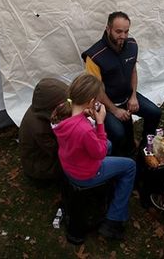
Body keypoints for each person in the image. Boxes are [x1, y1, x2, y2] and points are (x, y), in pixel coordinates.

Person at [51, 73, 136, 240]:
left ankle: (106, 186)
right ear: (91, 101)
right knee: (130, 166)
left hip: (68, 163)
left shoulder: (61, 112)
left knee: (110, 145)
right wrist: (100, 122)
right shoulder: (84, 129)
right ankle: (114, 220)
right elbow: (100, 152)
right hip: (84, 173)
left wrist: (86, 115)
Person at [81, 11, 161, 155]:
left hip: (127, 96)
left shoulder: (132, 45)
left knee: (155, 112)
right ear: (108, 29)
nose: (123, 36)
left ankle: (145, 146)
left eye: (126, 31)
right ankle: (120, 155)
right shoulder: (94, 56)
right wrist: (114, 110)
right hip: (106, 103)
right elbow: (96, 90)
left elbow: (133, 72)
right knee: (118, 134)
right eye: (118, 31)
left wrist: (133, 96)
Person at [19, 78, 68, 181]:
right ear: (51, 105)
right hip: (40, 167)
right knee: (77, 160)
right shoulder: (39, 128)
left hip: (43, 154)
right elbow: (57, 150)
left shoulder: (39, 108)